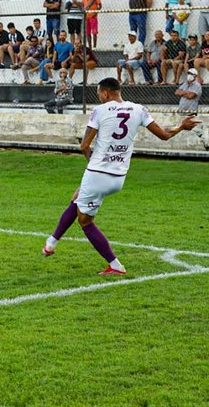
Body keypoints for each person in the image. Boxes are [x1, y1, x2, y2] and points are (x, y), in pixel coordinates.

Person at [42, 77, 201, 275]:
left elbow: (84, 146)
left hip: (98, 172)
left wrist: (92, 163)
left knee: (85, 220)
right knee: (77, 199)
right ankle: (50, 243)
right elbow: (164, 135)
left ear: (105, 93)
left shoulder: (100, 111)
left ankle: (115, 265)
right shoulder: (138, 109)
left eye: (99, 93)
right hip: (118, 177)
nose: (99, 97)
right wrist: (181, 127)